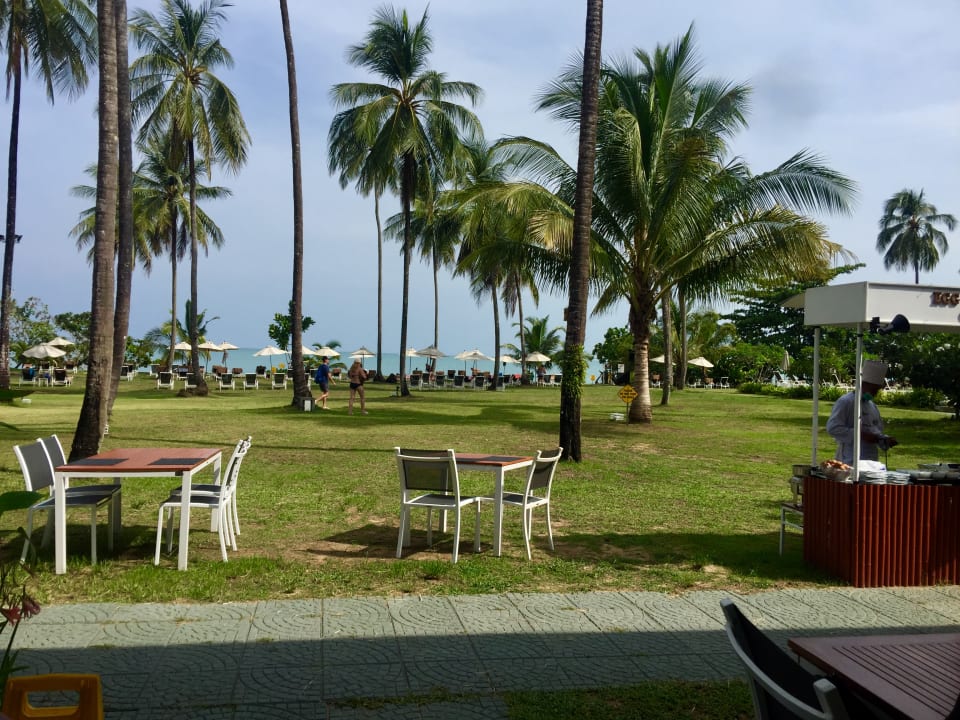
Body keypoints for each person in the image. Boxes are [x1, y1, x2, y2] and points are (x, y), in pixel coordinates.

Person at [826, 360, 898, 464]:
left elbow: (876, 430)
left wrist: (884, 439)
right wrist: (860, 435)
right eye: (874, 390)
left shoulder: (872, 406)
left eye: (877, 390)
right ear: (864, 384)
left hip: (871, 461)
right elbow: (833, 428)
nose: (875, 393)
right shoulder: (846, 402)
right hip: (850, 459)